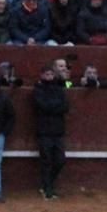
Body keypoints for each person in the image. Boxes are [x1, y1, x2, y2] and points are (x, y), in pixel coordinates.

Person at [31, 64, 69, 200]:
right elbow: (41, 106)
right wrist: (55, 106)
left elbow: (65, 106)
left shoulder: (61, 87)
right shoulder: (37, 89)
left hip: (57, 131)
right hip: (44, 131)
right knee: (46, 161)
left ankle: (48, 184)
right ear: (42, 75)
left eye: (51, 74)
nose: (49, 77)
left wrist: (50, 107)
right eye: (47, 74)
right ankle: (47, 188)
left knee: (60, 160)